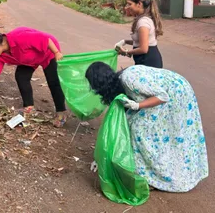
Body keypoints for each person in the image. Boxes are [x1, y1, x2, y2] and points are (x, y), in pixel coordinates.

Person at [85, 62, 208, 192]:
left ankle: (158, 175)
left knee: (141, 131)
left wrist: (138, 106)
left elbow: (162, 96)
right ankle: (148, 170)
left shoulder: (129, 79)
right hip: (167, 93)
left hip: (176, 94)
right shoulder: (119, 83)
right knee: (133, 123)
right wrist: (99, 157)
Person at [0, 27, 67, 127]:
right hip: (29, 59)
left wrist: (56, 52)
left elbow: (45, 39)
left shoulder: (19, 38)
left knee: (53, 81)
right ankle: (29, 107)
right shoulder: (0, 56)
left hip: (48, 51)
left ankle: (61, 112)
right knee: (21, 76)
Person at [115, 0, 163, 68]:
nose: (127, 7)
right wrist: (124, 41)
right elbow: (140, 41)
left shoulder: (143, 22)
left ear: (139, 4)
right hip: (146, 60)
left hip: (148, 62)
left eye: (129, 4)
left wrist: (127, 52)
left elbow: (144, 49)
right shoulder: (142, 19)